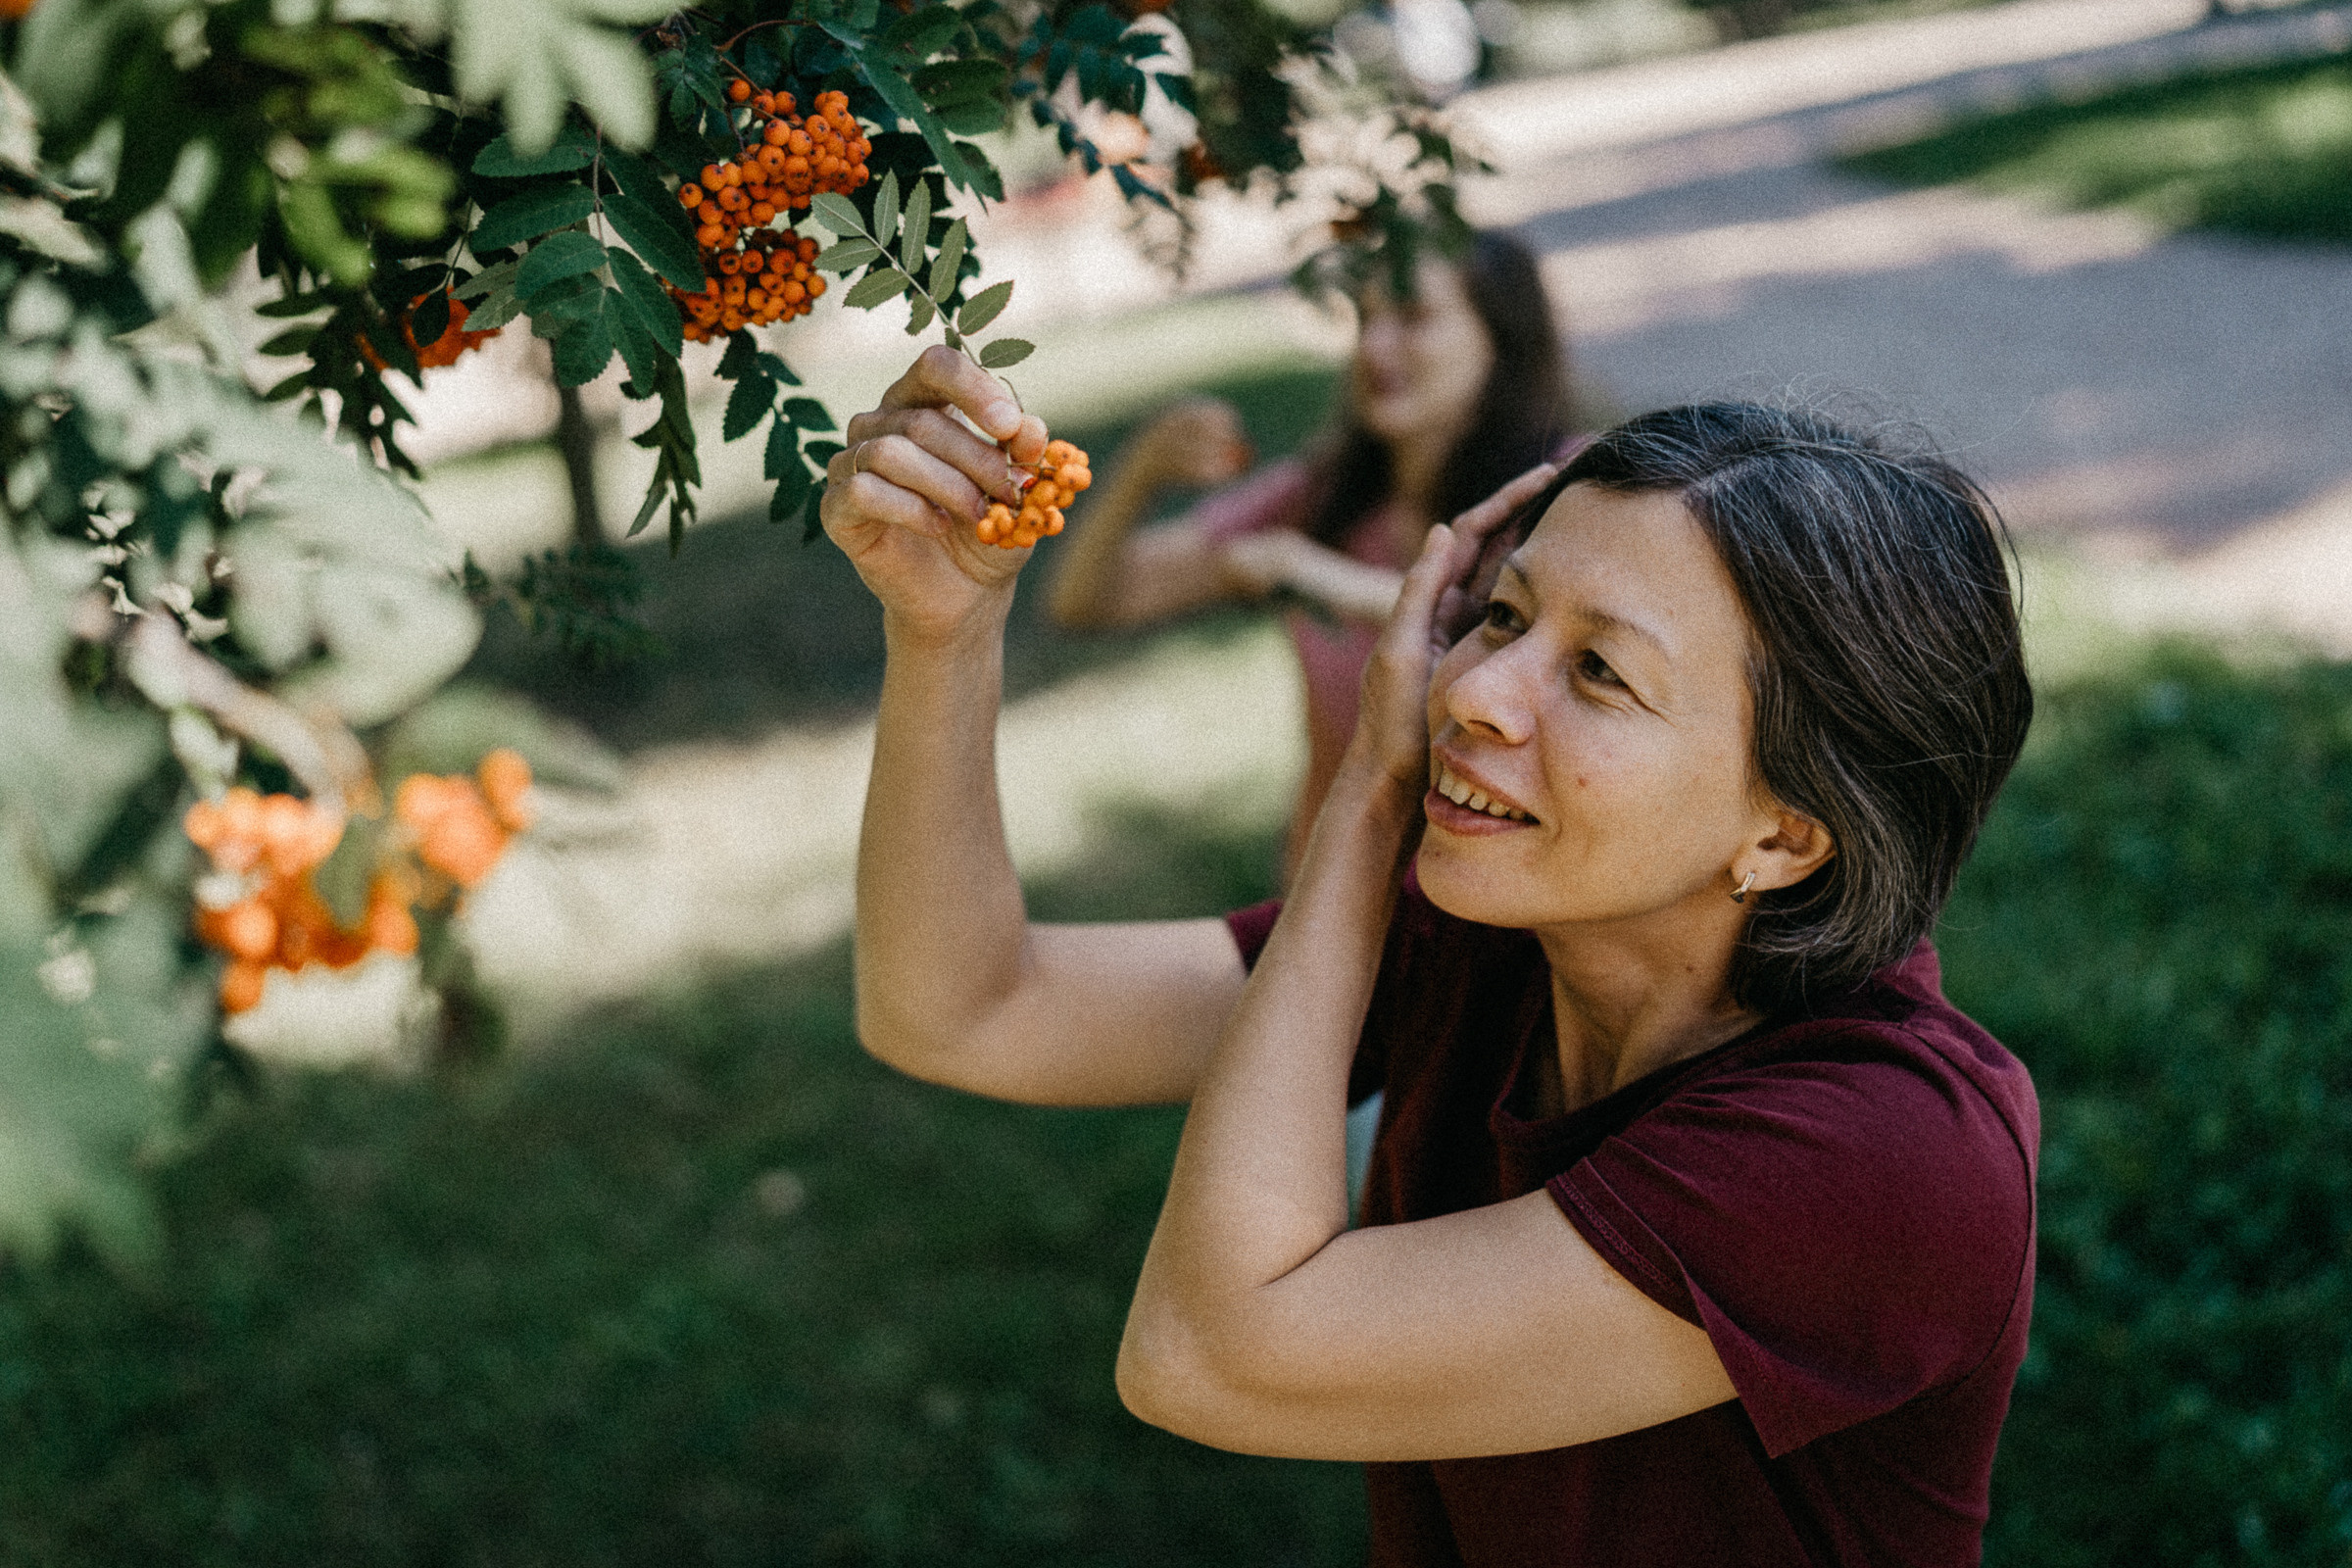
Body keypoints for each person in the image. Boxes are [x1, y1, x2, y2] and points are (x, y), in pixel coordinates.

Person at [820, 347, 2038, 1568]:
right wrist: (945, 628)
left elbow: (1210, 1353)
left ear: (1784, 834)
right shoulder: (1497, 947)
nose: (1473, 690)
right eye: (1502, 613)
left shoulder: (1891, 1153)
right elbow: (962, 1006)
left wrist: (1373, 790)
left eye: (1599, 671)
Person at [1047, 230, 1579, 874]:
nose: (1374, 346)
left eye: (1412, 317)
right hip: (1331, 892)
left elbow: (1517, 629)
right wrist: (1144, 468)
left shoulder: (1571, 491)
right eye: (1366, 318)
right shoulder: (1328, 496)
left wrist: (1312, 572)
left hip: (1495, 900)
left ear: (1502, 339)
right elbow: (1089, 601)